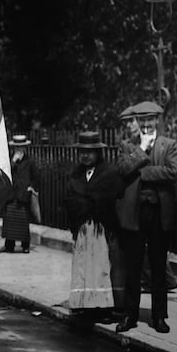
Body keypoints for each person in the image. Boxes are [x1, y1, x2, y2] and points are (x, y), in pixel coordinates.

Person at [115, 101, 177, 334]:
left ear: (157, 120)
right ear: (137, 122)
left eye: (150, 119)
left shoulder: (168, 144)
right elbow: (122, 170)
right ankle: (130, 315)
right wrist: (141, 149)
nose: (146, 123)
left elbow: (172, 172)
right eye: (141, 120)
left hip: (159, 212)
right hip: (134, 212)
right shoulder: (127, 145)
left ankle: (159, 317)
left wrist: (141, 172)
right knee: (133, 265)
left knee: (158, 265)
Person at [65, 132, 125, 319]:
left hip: (102, 227)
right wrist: (81, 209)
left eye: (90, 152)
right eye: (82, 151)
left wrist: (88, 203)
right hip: (82, 227)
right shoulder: (76, 173)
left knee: (100, 267)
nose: (85, 155)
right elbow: (69, 199)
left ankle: (102, 307)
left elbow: (109, 198)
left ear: (98, 153)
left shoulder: (108, 173)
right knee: (82, 266)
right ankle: (83, 303)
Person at [0, 134, 40, 254]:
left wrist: (31, 187)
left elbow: (36, 177)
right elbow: (5, 174)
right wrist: (12, 163)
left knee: (23, 221)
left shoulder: (30, 161)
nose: (19, 150)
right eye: (17, 147)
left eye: (21, 147)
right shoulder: (9, 160)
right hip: (11, 194)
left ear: (25, 147)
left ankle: (25, 245)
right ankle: (9, 245)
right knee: (9, 220)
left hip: (23, 195)